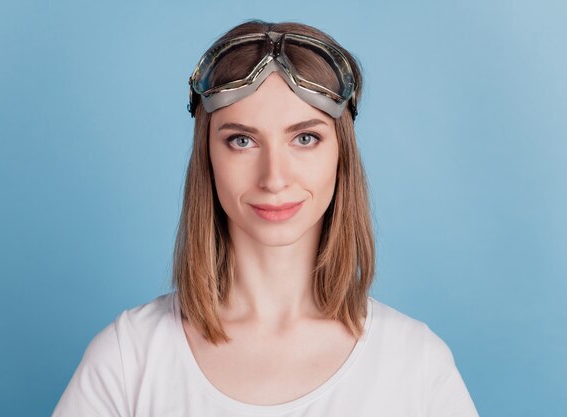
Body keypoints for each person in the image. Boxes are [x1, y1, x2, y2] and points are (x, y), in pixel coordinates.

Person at [52, 20, 479, 417]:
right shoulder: (129, 359)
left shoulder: (416, 365)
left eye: (305, 138)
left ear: (341, 155)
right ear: (208, 158)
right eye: (242, 140)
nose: (274, 177)